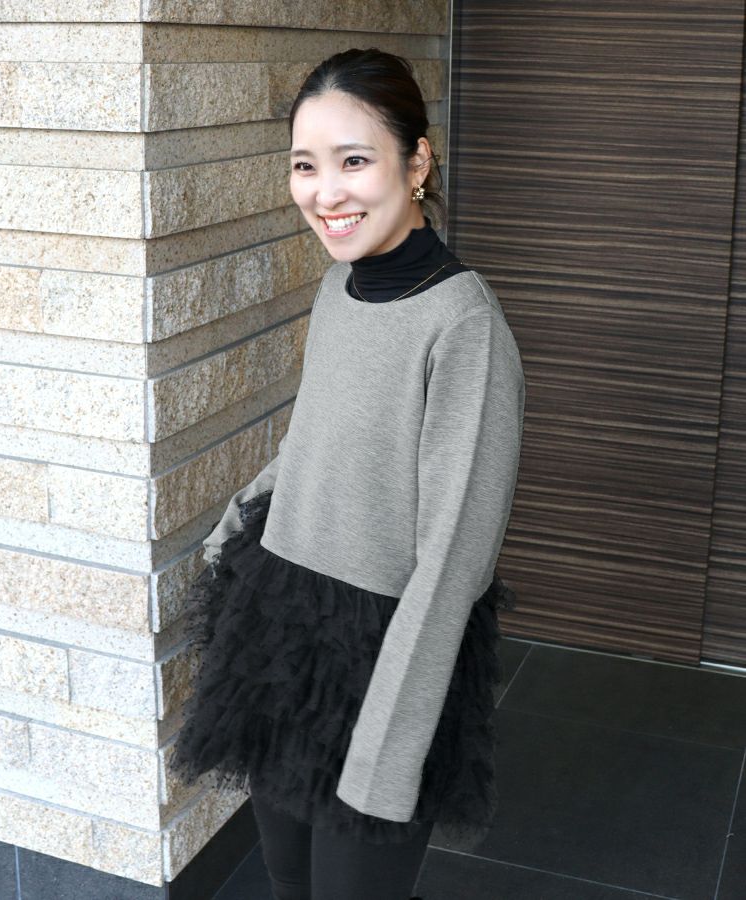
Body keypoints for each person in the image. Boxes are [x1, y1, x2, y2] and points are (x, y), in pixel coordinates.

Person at [170, 47, 525, 900]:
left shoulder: (464, 327)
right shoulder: (340, 288)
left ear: (417, 162)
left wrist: (388, 752)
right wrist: (235, 525)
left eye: (354, 161)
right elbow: (321, 438)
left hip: (385, 656)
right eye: (305, 165)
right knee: (288, 876)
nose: (325, 192)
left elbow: (455, 560)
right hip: (284, 624)